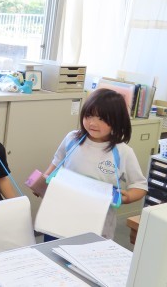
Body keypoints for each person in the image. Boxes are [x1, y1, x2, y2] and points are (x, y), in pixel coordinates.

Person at [43, 87, 147, 239]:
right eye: (89, 115)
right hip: (61, 216)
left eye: (102, 119)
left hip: (97, 224)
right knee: (52, 249)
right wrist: (44, 181)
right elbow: (56, 163)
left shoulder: (122, 152)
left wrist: (127, 197)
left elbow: (140, 186)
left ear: (117, 121)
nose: (93, 123)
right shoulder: (72, 139)